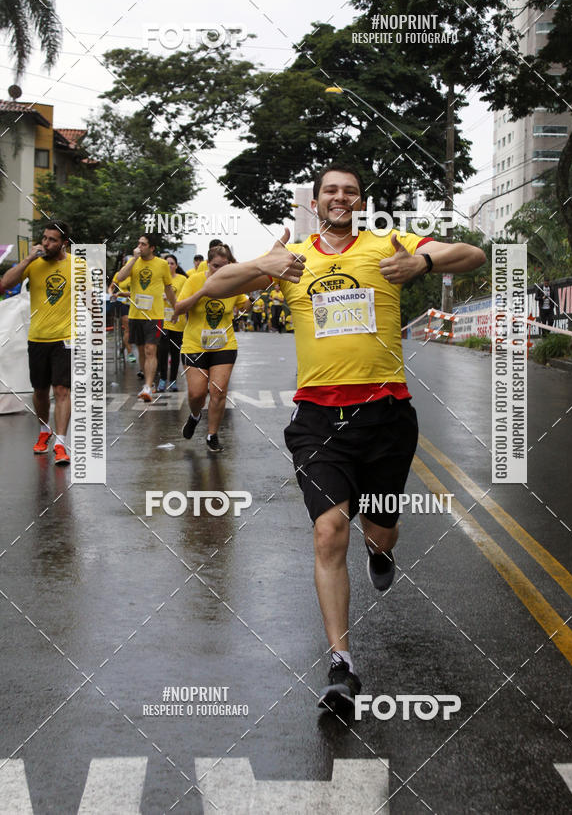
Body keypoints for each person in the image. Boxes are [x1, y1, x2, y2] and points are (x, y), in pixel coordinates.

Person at [199, 163, 486, 715]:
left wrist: (420, 261)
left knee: (379, 532)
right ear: (317, 200)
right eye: (330, 190)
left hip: (385, 417)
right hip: (317, 420)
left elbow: (470, 253)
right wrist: (263, 262)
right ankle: (341, 664)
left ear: (359, 200)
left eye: (349, 190)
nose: (339, 197)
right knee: (330, 532)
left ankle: (381, 551)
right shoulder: (293, 259)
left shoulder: (388, 245)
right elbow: (215, 287)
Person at [0, 221, 75, 465]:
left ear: (64, 243)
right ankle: (45, 430)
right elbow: (5, 284)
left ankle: (61, 443)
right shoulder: (34, 264)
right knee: (40, 392)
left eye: (52, 240)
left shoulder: (77, 265)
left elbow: (89, 299)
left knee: (62, 390)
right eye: (44, 238)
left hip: (65, 338)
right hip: (37, 338)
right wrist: (27, 260)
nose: (46, 243)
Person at [173, 244, 251, 452]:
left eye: (224, 266)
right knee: (197, 394)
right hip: (194, 345)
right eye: (216, 266)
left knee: (218, 391)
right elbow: (179, 309)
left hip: (224, 344)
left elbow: (244, 305)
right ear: (208, 264)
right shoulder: (194, 280)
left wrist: (248, 299)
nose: (220, 271)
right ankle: (195, 415)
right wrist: (203, 292)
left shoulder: (233, 283)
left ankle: (212, 434)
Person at [116, 234, 176, 402]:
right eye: (138, 243)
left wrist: (176, 308)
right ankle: (149, 383)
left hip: (154, 315)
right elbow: (120, 278)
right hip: (136, 314)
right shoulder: (133, 262)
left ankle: (148, 386)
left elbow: (169, 289)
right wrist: (133, 260)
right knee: (141, 350)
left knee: (151, 349)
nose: (139, 246)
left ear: (152, 248)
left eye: (143, 244)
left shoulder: (162, 264)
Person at [157, 254, 187, 392]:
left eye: (172, 263)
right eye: (166, 263)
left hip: (177, 320)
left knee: (175, 352)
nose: (169, 266)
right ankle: (162, 379)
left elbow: (186, 297)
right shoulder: (158, 279)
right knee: (162, 351)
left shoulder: (182, 279)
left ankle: (173, 381)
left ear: (176, 265)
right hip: (162, 320)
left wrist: (171, 298)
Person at [110, 254, 136, 363]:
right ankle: (130, 353)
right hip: (123, 304)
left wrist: (123, 294)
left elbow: (137, 292)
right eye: (128, 263)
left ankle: (122, 348)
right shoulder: (119, 274)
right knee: (128, 328)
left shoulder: (136, 274)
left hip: (136, 304)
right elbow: (111, 288)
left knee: (133, 330)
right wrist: (111, 295)